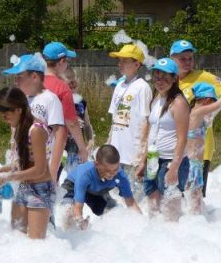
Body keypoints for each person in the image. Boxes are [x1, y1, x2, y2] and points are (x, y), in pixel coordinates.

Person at [0, 87, 53, 239]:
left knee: (36, 245)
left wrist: (8, 177)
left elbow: (40, 169)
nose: (4, 118)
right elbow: (23, 163)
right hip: (23, 188)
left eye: (6, 113)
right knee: (16, 240)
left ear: (18, 109)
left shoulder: (36, 130)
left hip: (39, 190)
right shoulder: (22, 128)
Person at [170, 40, 221, 197]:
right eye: (182, 58)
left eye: (190, 58)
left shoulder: (202, 76)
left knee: (195, 198)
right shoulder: (169, 80)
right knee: (173, 196)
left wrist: (212, 110)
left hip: (199, 148)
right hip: (173, 147)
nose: (187, 62)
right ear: (172, 59)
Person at [136, 58, 190, 218]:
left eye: (165, 78)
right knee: (152, 199)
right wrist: (143, 161)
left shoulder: (179, 103)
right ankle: (154, 230)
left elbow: (182, 138)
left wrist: (174, 168)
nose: (160, 82)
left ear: (174, 79)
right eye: (157, 77)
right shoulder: (156, 100)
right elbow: (152, 133)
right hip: (153, 158)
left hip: (170, 161)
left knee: (170, 208)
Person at [2, 54, 65, 182]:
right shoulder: (22, 100)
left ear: (34, 77)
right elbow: (16, 132)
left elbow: (60, 135)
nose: (16, 81)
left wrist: (53, 169)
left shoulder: (50, 99)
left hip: (43, 168)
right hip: (24, 166)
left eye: (19, 77)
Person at [186, 79, 221, 213]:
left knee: (193, 198)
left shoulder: (198, 114)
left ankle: (194, 219)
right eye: (212, 102)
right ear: (206, 100)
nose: (213, 106)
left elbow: (218, 108)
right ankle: (195, 220)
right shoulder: (197, 112)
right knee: (195, 200)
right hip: (192, 164)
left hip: (194, 163)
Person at [62, 144, 142, 229]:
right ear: (96, 164)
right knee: (69, 213)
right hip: (73, 185)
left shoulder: (120, 176)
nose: (111, 174)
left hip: (95, 191)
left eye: (115, 170)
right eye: (107, 170)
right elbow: (78, 207)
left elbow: (131, 203)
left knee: (113, 213)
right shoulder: (85, 175)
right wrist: (80, 222)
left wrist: (142, 223)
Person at [107, 44, 152, 191]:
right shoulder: (119, 85)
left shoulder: (142, 87)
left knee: (132, 194)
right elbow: (114, 119)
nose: (120, 64)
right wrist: (108, 144)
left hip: (132, 153)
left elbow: (146, 122)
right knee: (114, 194)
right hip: (115, 153)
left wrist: (141, 156)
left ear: (137, 64)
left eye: (125, 61)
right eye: (119, 60)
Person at [42, 42, 87, 178]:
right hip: (52, 145)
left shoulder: (33, 82)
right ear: (61, 62)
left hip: (31, 141)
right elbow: (72, 123)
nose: (67, 64)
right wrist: (82, 148)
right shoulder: (62, 88)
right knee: (50, 182)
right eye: (67, 61)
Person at [60, 67, 94, 176]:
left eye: (75, 81)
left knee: (74, 177)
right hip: (61, 149)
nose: (73, 85)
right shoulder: (57, 101)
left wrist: (90, 140)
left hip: (77, 149)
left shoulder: (81, 102)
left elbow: (87, 124)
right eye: (70, 83)